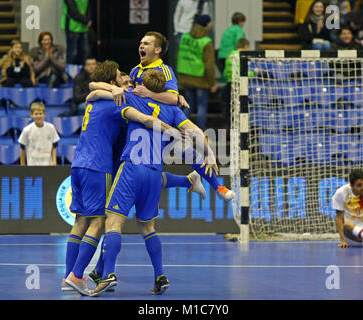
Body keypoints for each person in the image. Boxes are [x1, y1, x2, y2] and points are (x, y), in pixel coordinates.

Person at [89, 69, 218, 297]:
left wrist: (115, 88)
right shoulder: (172, 110)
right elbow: (196, 131)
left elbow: (93, 91)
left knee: (113, 222)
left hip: (132, 167)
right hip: (154, 173)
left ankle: (108, 274)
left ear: (143, 84)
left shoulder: (132, 97)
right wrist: (209, 154)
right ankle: (160, 275)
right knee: (148, 227)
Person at [62, 61, 185, 295]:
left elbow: (92, 91)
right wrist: (174, 128)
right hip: (103, 166)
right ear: (114, 83)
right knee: (103, 222)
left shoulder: (99, 99)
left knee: (81, 221)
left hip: (78, 163)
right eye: (122, 79)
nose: (128, 83)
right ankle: (77, 276)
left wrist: (107, 89)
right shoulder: (120, 101)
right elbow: (147, 119)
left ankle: (73, 276)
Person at [89, 31, 235, 201]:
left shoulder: (164, 70)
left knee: (186, 150)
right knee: (146, 175)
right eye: (141, 43)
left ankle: (218, 187)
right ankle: (189, 181)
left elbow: (172, 98)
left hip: (163, 122)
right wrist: (115, 89)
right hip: (140, 125)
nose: (141, 46)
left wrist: (149, 93)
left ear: (157, 50)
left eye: (146, 43)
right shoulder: (135, 71)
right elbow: (98, 88)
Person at [177, 14, 216, 130]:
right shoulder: (206, 41)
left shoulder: (184, 37)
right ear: (207, 24)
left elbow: (179, 55)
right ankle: (199, 132)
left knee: (187, 105)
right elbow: (209, 64)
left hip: (186, 76)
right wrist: (212, 82)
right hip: (200, 78)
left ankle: (181, 129)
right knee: (202, 106)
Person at [18, 102, 60, 166]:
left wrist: (54, 162)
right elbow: (22, 148)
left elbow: (54, 146)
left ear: (44, 114)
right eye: (36, 114)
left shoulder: (51, 127)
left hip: (48, 165)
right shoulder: (26, 130)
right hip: (32, 166)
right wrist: (22, 166)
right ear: (31, 115)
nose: (38, 116)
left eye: (40, 114)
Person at [173, 0, 209, 68]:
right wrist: (176, 30)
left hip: (195, 33)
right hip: (182, 32)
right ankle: (181, 75)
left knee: (194, 56)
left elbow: (205, 19)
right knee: (182, 56)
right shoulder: (182, 1)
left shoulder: (203, 4)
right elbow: (176, 16)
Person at [222, 38, 249, 127]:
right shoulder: (242, 56)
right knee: (239, 109)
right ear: (246, 46)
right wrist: (253, 73)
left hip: (229, 84)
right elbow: (242, 72)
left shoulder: (230, 55)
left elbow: (225, 73)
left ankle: (228, 128)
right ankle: (239, 129)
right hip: (239, 85)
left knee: (229, 108)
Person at [61, 0, 92, 65]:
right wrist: (85, 20)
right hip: (72, 27)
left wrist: (88, 19)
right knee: (72, 53)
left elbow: (88, 8)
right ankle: (70, 74)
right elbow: (72, 11)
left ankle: (82, 73)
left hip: (83, 28)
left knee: (84, 52)